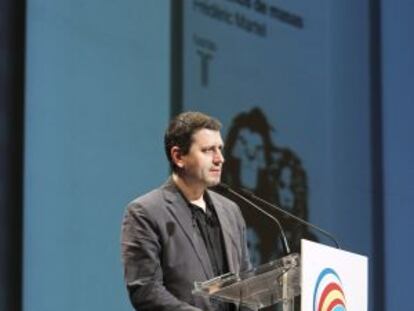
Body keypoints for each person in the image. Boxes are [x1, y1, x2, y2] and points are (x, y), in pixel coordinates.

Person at [121, 111, 252, 311]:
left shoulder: (230, 211)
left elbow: (246, 282)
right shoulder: (145, 212)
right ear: (178, 156)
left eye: (220, 149)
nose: (220, 159)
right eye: (208, 150)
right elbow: (145, 291)